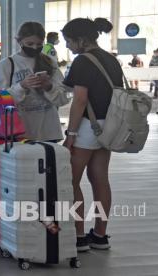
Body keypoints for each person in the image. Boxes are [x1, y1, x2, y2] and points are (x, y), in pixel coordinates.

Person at [62, 17, 121, 252]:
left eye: (69, 41)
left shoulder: (82, 61)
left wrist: (71, 133)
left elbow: (80, 101)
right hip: (109, 126)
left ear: (81, 40)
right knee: (100, 180)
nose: (67, 46)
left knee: (71, 181)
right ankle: (100, 235)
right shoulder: (111, 59)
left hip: (88, 126)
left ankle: (78, 237)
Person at [0, 21, 67, 142]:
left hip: (48, 133)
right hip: (19, 134)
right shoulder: (6, 65)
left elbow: (63, 98)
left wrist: (48, 86)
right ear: (19, 41)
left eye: (39, 44)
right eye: (30, 43)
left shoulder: (50, 62)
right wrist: (22, 86)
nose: (34, 47)